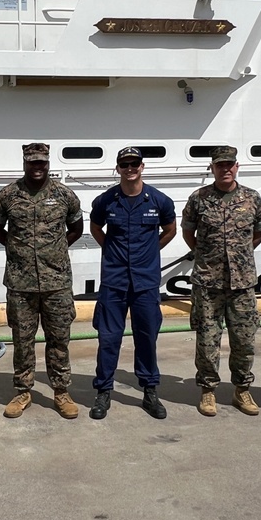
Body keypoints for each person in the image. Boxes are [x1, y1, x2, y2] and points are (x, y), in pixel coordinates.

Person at [0, 142, 84, 419]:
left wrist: (55, 249)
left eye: (42, 161)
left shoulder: (65, 195)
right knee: (22, 339)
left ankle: (61, 391)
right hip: (20, 283)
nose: (38, 166)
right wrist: (17, 249)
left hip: (57, 282)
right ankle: (22, 391)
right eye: (33, 162)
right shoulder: (7, 196)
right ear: (25, 162)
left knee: (59, 339)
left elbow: (76, 228)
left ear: (48, 163)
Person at [88, 147, 177, 420]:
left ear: (142, 166)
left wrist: (151, 252)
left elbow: (170, 230)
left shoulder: (159, 200)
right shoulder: (106, 201)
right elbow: (95, 227)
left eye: (134, 163)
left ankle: (150, 390)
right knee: (108, 338)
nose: (130, 168)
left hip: (145, 282)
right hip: (114, 281)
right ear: (118, 168)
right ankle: (103, 391)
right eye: (124, 164)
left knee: (147, 337)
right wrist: (110, 250)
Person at [181, 146, 261, 417]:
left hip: (242, 283)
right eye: (220, 165)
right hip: (208, 283)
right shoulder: (198, 198)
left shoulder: (252, 199)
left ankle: (242, 389)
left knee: (244, 339)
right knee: (207, 340)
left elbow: (258, 234)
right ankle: (208, 391)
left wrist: (238, 257)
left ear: (237, 167)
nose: (225, 169)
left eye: (230, 165)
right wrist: (207, 257)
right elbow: (188, 232)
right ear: (213, 168)